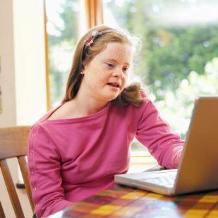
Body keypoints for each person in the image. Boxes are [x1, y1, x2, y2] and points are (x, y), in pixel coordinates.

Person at [28, 25, 184, 217]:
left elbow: (166, 144)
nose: (120, 74)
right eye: (110, 65)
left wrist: (185, 156)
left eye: (125, 68)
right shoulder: (46, 132)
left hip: (119, 209)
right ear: (84, 65)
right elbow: (48, 206)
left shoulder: (133, 103)